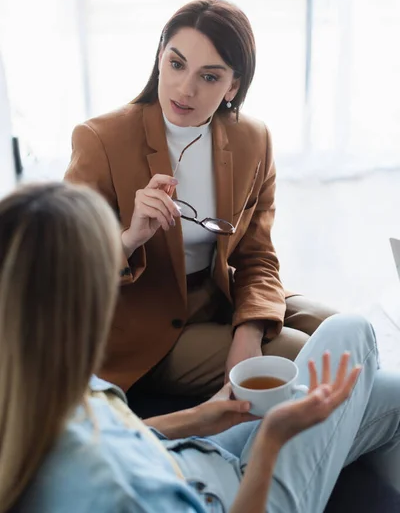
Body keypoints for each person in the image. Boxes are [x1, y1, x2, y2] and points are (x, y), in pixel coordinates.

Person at [1, 182, 399, 513]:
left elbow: (114, 432)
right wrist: (273, 440)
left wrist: (197, 416)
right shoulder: (120, 492)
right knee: (353, 331)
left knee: (390, 393)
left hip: (188, 458)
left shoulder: (33, 378)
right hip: (235, 497)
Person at [65, 0, 337, 400]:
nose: (184, 88)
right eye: (176, 64)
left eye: (209, 77)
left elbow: (256, 253)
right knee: (309, 359)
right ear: (160, 56)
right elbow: (64, 268)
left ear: (234, 86)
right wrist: (130, 237)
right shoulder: (100, 139)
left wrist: (249, 329)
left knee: (340, 327)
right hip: (142, 323)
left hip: (219, 294)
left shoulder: (253, 140)